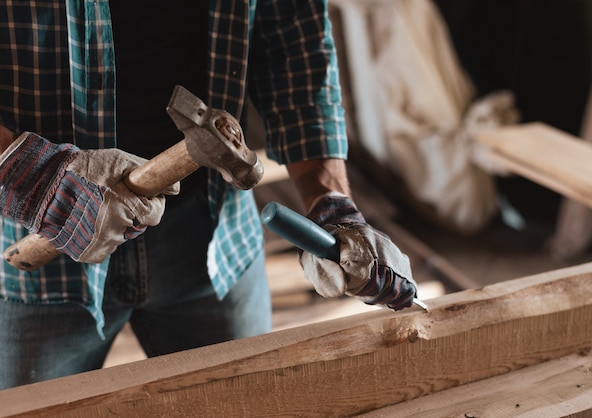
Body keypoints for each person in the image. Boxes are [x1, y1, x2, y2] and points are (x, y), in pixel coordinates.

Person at [0, 0, 418, 389]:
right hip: (35, 251)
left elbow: (295, 38)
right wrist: (32, 181)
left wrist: (332, 202)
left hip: (215, 239)